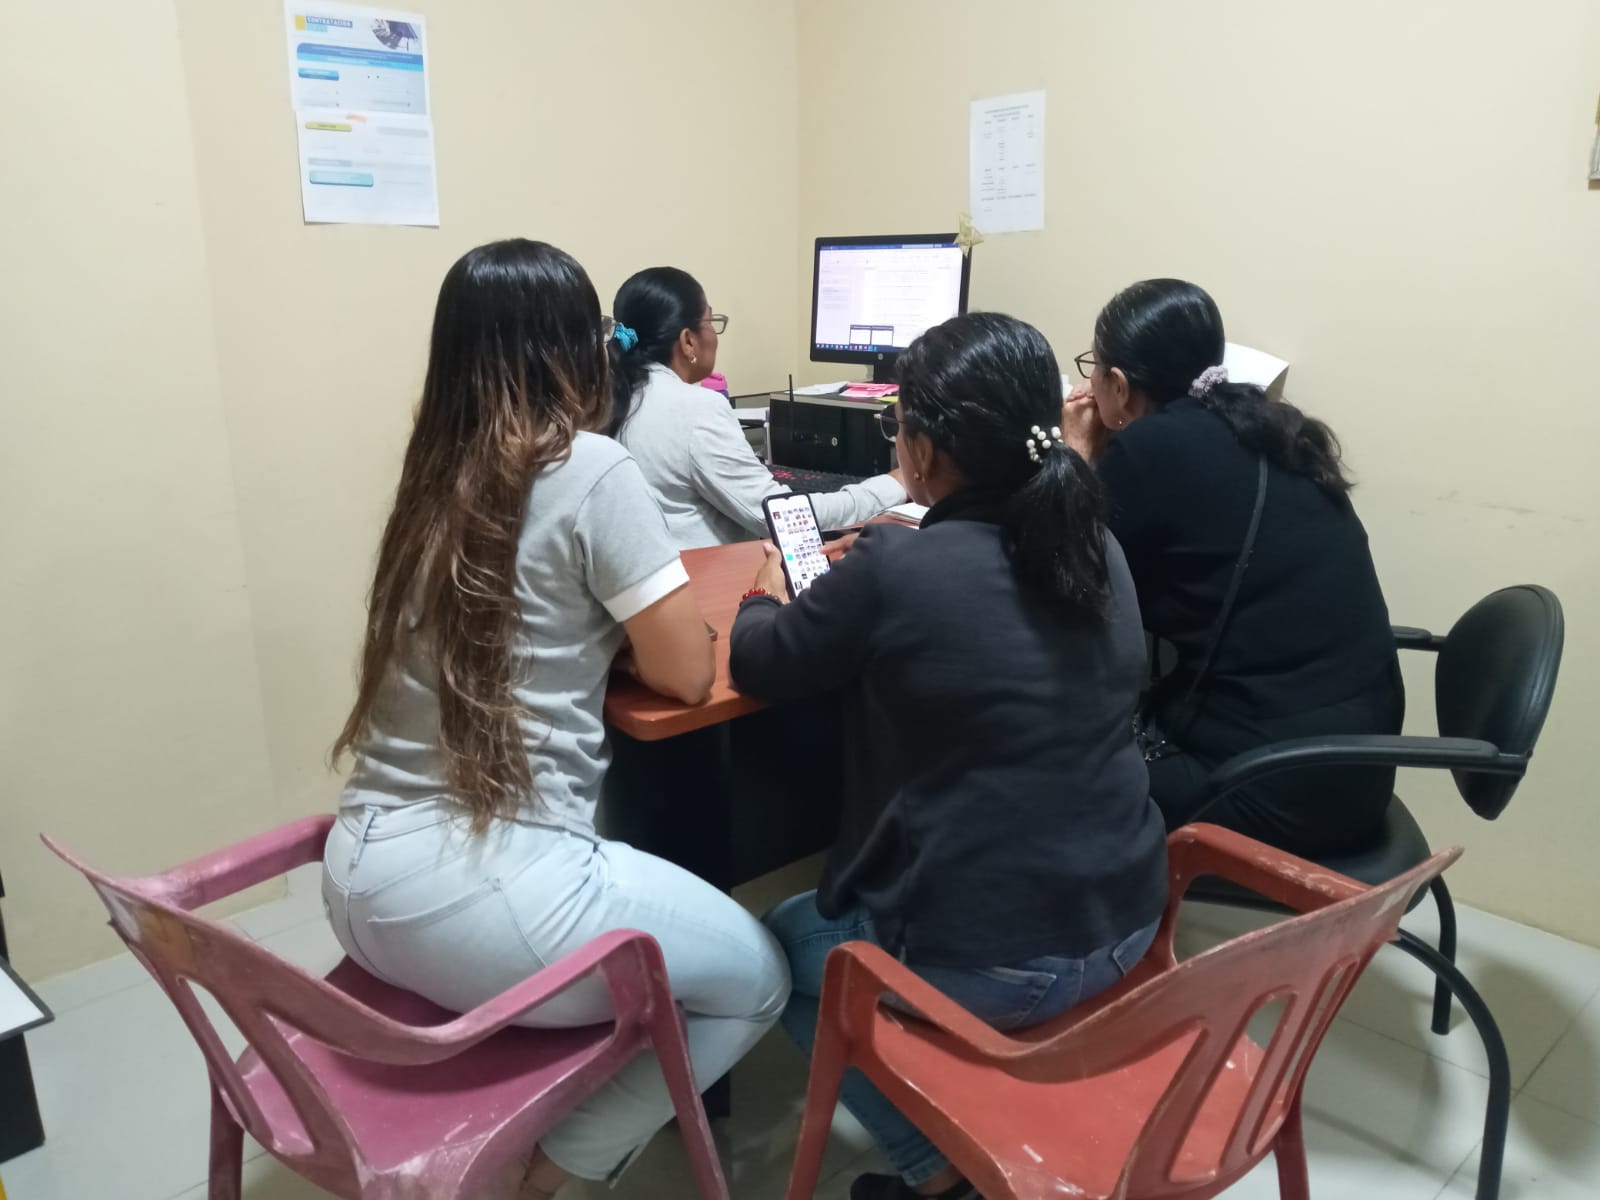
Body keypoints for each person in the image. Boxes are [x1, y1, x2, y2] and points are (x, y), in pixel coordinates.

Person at [321, 240, 789, 1198]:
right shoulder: (592, 468)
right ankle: (547, 1174)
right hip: (481, 899)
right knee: (759, 979)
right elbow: (687, 674)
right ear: (579, 351)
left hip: (356, 883)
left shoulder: (431, 474)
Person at [730, 312, 1168, 1200]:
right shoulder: (1100, 547)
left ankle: (940, 1173)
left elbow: (761, 661)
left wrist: (763, 595)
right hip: (1129, 924)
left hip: (1000, 961)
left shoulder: (899, 565)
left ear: (922, 450)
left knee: (774, 955)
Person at [1062, 278, 1403, 858]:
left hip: (1271, 781)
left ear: (1117, 385)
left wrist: (1077, 457)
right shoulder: (1269, 426)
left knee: (1043, 780)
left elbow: (1070, 578)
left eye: (1093, 369)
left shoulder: (1151, 449)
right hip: (1351, 766)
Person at [609, 266, 906, 549]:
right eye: (710, 322)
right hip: (707, 578)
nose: (714, 335)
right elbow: (780, 517)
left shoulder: (613, 399)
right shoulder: (695, 408)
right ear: (688, 341)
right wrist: (892, 485)